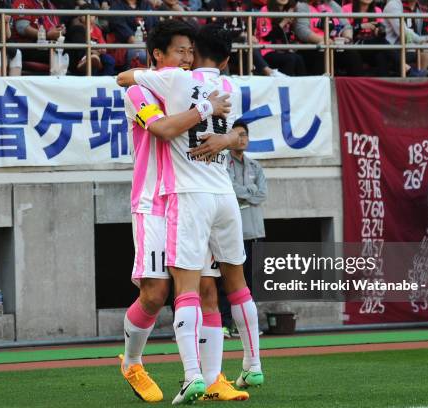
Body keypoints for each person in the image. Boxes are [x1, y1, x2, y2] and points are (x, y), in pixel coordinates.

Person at [118, 24, 264, 404]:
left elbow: (226, 127)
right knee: (155, 293)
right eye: (179, 52)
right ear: (158, 58)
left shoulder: (187, 85)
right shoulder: (140, 91)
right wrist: (206, 110)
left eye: (190, 52)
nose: (186, 60)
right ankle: (132, 361)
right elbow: (164, 129)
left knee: (207, 288)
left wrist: (230, 137)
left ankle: (212, 378)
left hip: (188, 199)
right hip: (153, 201)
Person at [219, 121, 267, 337]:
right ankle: (226, 323)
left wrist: (244, 194)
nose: (242, 138)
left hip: (255, 232)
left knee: (252, 282)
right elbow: (229, 190)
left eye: (245, 134)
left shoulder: (255, 166)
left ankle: (246, 326)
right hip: (233, 233)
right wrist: (250, 191)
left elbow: (262, 194)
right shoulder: (223, 164)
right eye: (238, 134)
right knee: (229, 280)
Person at [382, 0, 428, 77]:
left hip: (414, 46)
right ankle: (416, 85)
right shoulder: (394, 4)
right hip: (396, 49)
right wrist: (424, 41)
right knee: (425, 55)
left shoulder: (419, 7)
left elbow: (422, 33)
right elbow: (404, 33)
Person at [294, 0, 363, 76]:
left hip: (334, 45)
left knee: (352, 55)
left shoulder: (332, 4)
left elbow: (346, 26)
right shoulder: (301, 5)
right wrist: (324, 40)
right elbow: (302, 31)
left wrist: (347, 38)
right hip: (313, 46)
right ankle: (322, 85)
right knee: (322, 56)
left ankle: (355, 85)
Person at [255, 0, 307, 76]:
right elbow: (267, 37)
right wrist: (284, 21)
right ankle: (283, 85)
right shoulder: (265, 10)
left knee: (299, 58)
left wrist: (292, 23)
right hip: (266, 50)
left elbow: (289, 36)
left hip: (283, 50)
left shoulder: (288, 10)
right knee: (291, 59)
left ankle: (303, 85)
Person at [66, 2, 116, 75]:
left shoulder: (97, 29)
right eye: (85, 14)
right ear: (79, 16)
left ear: (95, 17)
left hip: (97, 53)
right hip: (84, 55)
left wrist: (102, 49)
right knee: (93, 61)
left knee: (110, 60)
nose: (88, 16)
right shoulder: (76, 29)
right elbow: (78, 47)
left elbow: (102, 45)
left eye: (91, 15)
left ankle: (105, 81)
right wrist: (92, 51)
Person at [12, 0, 66, 64]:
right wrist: (46, 35)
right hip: (28, 46)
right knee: (58, 53)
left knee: (71, 49)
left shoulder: (49, 4)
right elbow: (22, 28)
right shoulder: (22, 1)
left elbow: (54, 26)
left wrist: (60, 30)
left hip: (47, 44)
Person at [108, 0, 158, 68]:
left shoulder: (146, 5)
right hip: (127, 46)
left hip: (149, 44)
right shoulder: (117, 5)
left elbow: (156, 25)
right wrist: (131, 38)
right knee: (144, 56)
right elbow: (119, 26)